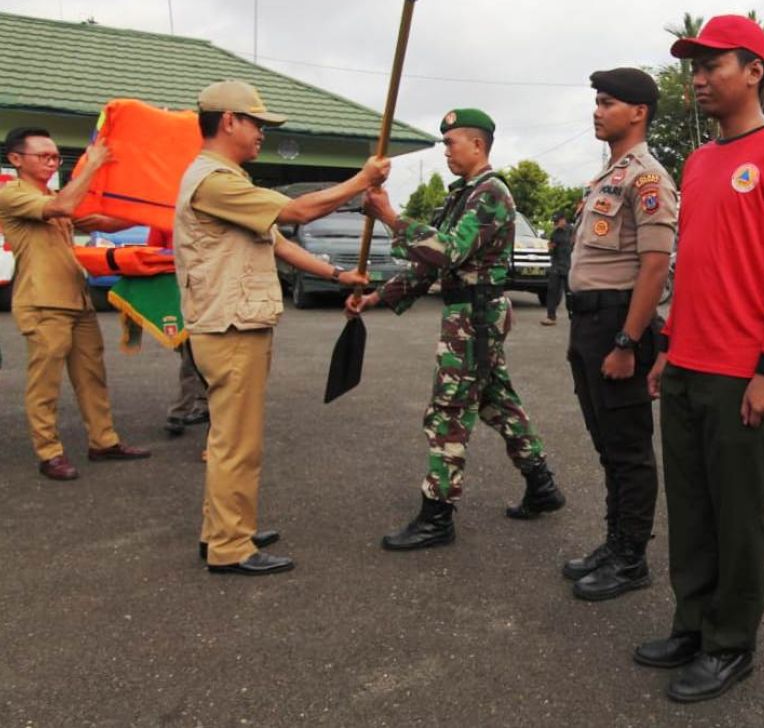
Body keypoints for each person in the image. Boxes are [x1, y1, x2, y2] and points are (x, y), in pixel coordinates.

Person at [636, 15, 764, 702]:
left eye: (713, 63)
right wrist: (666, 350)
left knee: (738, 514)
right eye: (695, 65)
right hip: (688, 362)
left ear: (754, 72)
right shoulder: (698, 160)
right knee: (690, 508)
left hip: (744, 373)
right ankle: (692, 623)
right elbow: (695, 266)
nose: (699, 77)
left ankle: (731, 642)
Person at [174, 80, 387, 575]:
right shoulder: (215, 180)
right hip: (230, 329)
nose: (262, 134)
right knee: (235, 442)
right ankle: (230, 546)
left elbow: (278, 242)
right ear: (229, 120)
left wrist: (338, 275)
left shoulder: (227, 182)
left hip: (233, 324)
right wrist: (361, 181)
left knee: (232, 437)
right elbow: (295, 212)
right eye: (257, 123)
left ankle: (225, 530)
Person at [350, 107, 566, 551]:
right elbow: (429, 265)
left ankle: (437, 517)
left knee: (447, 413)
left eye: (450, 142)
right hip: (471, 317)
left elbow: (447, 251)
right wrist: (377, 296)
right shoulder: (464, 195)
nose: (445, 149)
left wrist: (390, 216)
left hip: (475, 319)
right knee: (497, 402)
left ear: (477, 145)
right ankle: (542, 485)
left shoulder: (490, 194)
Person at [559, 68, 678, 601]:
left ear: (639, 112)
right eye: (597, 102)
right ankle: (615, 542)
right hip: (588, 321)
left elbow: (654, 266)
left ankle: (631, 558)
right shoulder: (607, 176)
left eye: (608, 103)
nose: (597, 111)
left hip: (617, 324)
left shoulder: (647, 178)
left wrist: (628, 343)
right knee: (606, 443)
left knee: (628, 447)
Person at [0, 127, 151, 481]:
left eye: (55, 157)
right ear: (16, 159)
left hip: (76, 299)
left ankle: (103, 441)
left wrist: (154, 213)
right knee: (45, 382)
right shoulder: (13, 195)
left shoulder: (53, 193)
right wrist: (92, 165)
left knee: (92, 376)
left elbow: (98, 220)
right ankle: (49, 452)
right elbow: (63, 207)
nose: (52, 163)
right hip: (43, 303)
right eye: (44, 156)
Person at [145, 225, 209, 436]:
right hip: (179, 291)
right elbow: (152, 253)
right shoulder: (164, 215)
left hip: (210, 291)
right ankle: (195, 406)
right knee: (190, 354)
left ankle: (186, 409)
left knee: (200, 357)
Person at [540, 211, 572, 326]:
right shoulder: (554, 234)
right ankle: (551, 317)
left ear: (563, 220)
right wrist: (551, 248)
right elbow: (551, 251)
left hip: (569, 266)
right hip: (556, 266)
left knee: (570, 293)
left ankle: (573, 316)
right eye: (554, 222)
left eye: (557, 221)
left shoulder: (572, 231)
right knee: (552, 291)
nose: (555, 224)